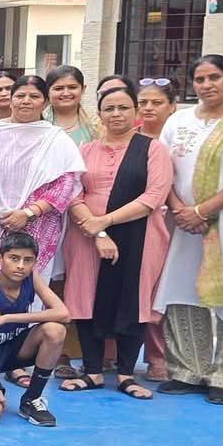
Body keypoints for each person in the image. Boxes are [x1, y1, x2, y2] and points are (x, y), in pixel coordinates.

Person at [60, 80, 170, 400]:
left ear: (136, 112)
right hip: (86, 237)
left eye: (123, 107)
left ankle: (125, 374)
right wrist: (98, 232)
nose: (116, 114)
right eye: (109, 108)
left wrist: (104, 222)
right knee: (86, 297)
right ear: (99, 115)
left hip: (140, 234)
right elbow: (73, 193)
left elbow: (154, 196)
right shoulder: (85, 151)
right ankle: (92, 371)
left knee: (135, 299)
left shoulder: (153, 149)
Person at [156, 54, 223, 403]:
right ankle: (188, 369)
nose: (206, 85)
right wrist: (180, 210)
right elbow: (164, 170)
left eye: (214, 77)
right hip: (183, 224)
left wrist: (201, 210)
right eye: (200, 79)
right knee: (183, 291)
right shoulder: (179, 121)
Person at [0, 74, 83, 281]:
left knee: (31, 284)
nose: (26, 101)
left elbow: (65, 184)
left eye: (34, 96)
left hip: (38, 223)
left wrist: (28, 213)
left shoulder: (56, 138)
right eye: (20, 96)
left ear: (45, 102)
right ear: (11, 100)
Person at [0, 232, 69, 426]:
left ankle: (32, 399)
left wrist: (7, 318)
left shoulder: (31, 278)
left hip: (13, 350)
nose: (21, 265)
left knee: (55, 330)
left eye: (28, 260)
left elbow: (63, 313)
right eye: (14, 258)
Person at [45, 66, 94, 147]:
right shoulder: (38, 121)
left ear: (83, 89)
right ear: (47, 91)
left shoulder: (96, 124)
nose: (66, 93)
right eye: (58, 88)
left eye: (72, 87)